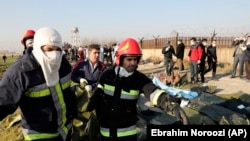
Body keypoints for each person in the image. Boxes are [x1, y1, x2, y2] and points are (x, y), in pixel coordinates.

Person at [86, 38, 188, 141]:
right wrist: (95, 98)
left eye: (135, 59)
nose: (133, 63)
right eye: (129, 59)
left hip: (127, 135)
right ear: (120, 59)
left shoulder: (139, 79)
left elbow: (153, 92)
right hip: (106, 132)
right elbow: (100, 88)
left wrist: (170, 103)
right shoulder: (107, 75)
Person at [0, 27, 77, 141]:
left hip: (64, 132)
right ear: (37, 47)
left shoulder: (63, 65)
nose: (54, 54)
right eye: (49, 49)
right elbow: (3, 102)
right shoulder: (20, 72)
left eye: (57, 49)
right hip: (38, 135)